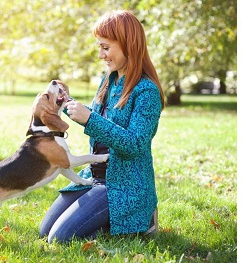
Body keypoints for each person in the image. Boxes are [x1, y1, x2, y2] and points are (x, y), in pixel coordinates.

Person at [39, 10, 165, 243]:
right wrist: (68, 104)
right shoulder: (110, 79)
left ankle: (139, 218)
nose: (100, 55)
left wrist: (89, 119)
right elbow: (98, 117)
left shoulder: (147, 91)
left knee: (60, 238)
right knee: (44, 232)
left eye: (105, 48)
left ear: (129, 44)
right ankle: (109, 221)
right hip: (94, 176)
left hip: (123, 186)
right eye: (99, 47)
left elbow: (135, 144)